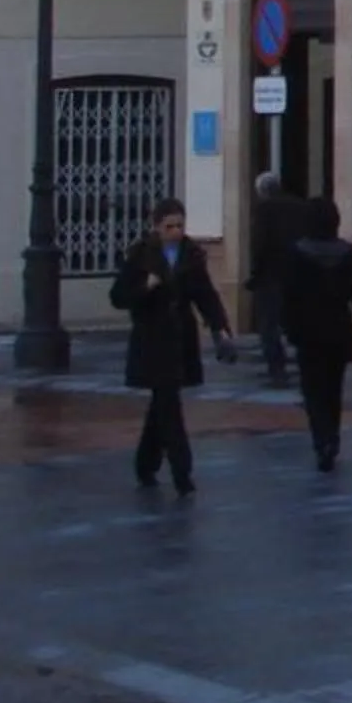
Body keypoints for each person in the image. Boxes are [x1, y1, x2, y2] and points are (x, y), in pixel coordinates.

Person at [108, 197, 233, 496]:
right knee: (169, 407)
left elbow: (206, 296)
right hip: (152, 339)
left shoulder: (191, 255)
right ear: (157, 227)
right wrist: (145, 288)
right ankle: (182, 473)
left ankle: (145, 464)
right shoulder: (141, 255)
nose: (176, 231)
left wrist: (220, 329)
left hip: (180, 340)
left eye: (180, 225)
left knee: (162, 405)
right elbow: (118, 297)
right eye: (169, 226)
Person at [280, 196, 352, 472]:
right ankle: (331, 438)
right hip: (339, 330)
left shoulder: (297, 252)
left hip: (308, 331)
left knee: (312, 391)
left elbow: (290, 296)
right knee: (333, 390)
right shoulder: (347, 253)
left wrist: (287, 328)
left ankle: (321, 439)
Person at [245, 170, 304, 385]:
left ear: (261, 192)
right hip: (296, 274)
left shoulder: (264, 210)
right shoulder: (299, 206)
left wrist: (255, 273)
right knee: (296, 322)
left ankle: (277, 369)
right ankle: (304, 362)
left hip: (270, 275)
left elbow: (260, 244)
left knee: (268, 325)